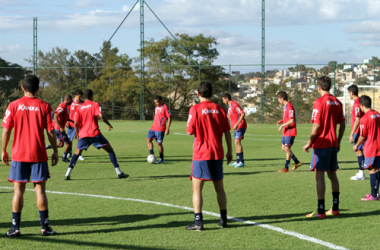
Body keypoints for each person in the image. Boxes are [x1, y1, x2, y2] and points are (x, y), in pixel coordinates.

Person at [2, 75, 59, 236]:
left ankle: (15, 228)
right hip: (38, 154)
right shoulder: (45, 106)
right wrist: (55, 150)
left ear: (22, 87)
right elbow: (50, 131)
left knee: (18, 191)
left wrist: (4, 150)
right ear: (38, 88)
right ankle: (44, 227)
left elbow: (6, 129)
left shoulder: (13, 105)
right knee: (40, 191)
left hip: (19, 155)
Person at [186, 82, 232, 231]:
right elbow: (227, 131)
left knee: (197, 189)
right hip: (217, 153)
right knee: (220, 189)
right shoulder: (220, 109)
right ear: (211, 94)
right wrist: (230, 151)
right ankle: (223, 219)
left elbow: (189, 131)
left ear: (198, 94)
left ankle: (198, 222)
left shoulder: (195, 109)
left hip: (201, 154)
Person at [303, 76, 345, 218]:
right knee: (332, 174)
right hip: (333, 143)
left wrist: (309, 142)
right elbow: (343, 124)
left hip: (321, 143)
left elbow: (317, 125)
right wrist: (338, 141)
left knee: (319, 174)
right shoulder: (337, 102)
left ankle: (321, 211)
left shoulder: (319, 102)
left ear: (319, 87)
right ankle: (335, 208)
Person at [64, 89, 129, 180]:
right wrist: (109, 124)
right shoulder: (95, 104)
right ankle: (119, 172)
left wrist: (78, 134)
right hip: (94, 134)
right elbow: (101, 116)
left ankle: (67, 174)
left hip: (83, 134)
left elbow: (75, 123)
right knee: (110, 150)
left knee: (77, 153)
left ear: (84, 97)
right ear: (91, 96)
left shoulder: (80, 107)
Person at [353, 95, 380, 200]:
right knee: (377, 169)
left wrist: (356, 145)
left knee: (371, 170)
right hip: (379, 146)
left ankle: (373, 195)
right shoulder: (377, 114)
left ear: (362, 105)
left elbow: (362, 136)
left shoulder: (364, 118)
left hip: (371, 147)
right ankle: (375, 193)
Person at [276, 91, 302, 172]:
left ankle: (286, 167)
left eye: (278, 99)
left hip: (290, 132)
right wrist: (281, 121)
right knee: (283, 148)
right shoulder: (285, 107)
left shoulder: (289, 107)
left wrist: (282, 125)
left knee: (287, 148)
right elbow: (287, 118)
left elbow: (291, 120)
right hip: (286, 132)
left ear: (282, 98)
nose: (278, 101)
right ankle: (297, 162)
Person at [221, 93, 247, 168]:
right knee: (236, 143)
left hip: (240, 126)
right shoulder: (230, 107)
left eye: (223, 99)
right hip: (236, 127)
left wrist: (237, 124)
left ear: (227, 98)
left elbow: (242, 113)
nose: (223, 101)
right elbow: (233, 117)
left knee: (237, 142)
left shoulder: (234, 104)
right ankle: (238, 161)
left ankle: (241, 161)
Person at [46, 95, 73, 163]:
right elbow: (55, 115)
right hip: (59, 129)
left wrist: (72, 121)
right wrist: (61, 127)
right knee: (69, 143)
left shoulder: (66, 106)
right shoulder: (63, 105)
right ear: (67, 99)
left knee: (61, 144)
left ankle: (45, 147)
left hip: (59, 129)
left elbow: (64, 116)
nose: (72, 101)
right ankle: (64, 158)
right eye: (70, 99)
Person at [146, 96, 172, 164]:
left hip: (160, 128)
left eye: (157, 102)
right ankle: (152, 155)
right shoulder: (156, 107)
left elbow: (169, 117)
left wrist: (168, 128)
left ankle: (161, 158)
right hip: (153, 127)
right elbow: (155, 116)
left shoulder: (165, 107)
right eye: (155, 102)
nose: (156, 103)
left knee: (159, 144)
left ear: (161, 101)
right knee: (148, 139)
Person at [347, 85, 365, 180]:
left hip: (358, 131)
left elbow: (357, 119)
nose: (348, 95)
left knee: (358, 151)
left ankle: (361, 173)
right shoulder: (360, 102)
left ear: (351, 93)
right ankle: (361, 172)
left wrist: (352, 133)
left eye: (348, 93)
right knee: (360, 151)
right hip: (360, 130)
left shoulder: (357, 103)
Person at [67, 89, 85, 161]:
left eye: (81, 97)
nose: (80, 98)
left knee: (79, 139)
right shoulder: (70, 102)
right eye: (79, 97)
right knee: (69, 140)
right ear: (75, 95)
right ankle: (69, 153)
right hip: (71, 124)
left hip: (79, 124)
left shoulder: (83, 103)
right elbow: (66, 112)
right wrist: (66, 121)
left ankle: (79, 154)